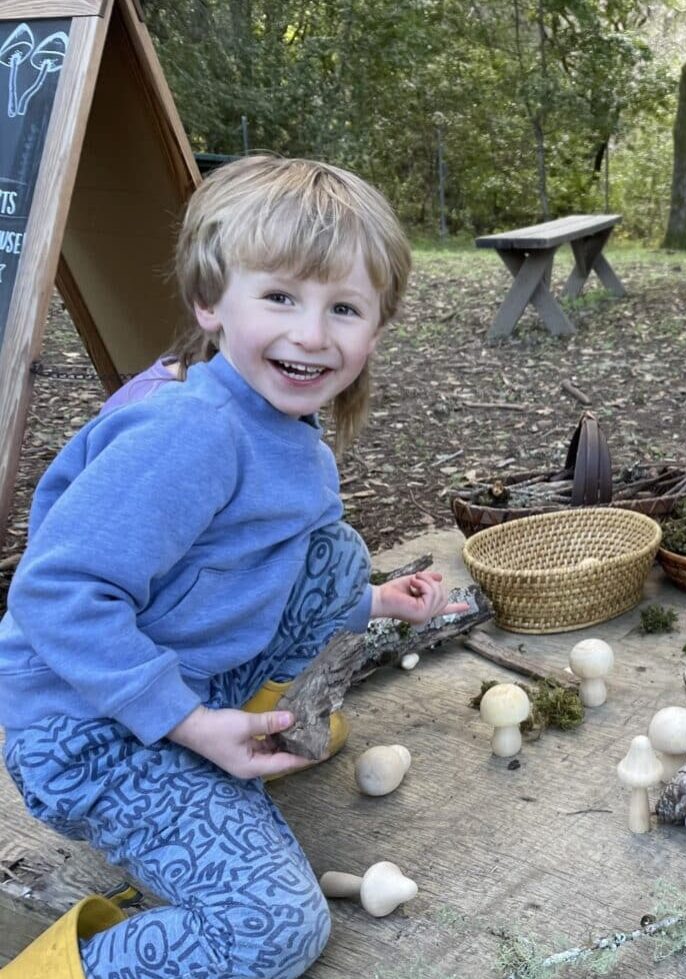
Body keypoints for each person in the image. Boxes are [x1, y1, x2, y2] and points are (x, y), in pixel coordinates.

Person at [0, 156, 461, 978]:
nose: (312, 334)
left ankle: (244, 726)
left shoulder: (288, 434)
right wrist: (187, 723)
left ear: (376, 328)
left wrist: (377, 599)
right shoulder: (192, 435)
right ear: (210, 300)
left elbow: (256, 564)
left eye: (344, 307)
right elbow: (56, 591)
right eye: (281, 297)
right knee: (274, 929)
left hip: (177, 678)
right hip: (93, 733)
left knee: (333, 555)